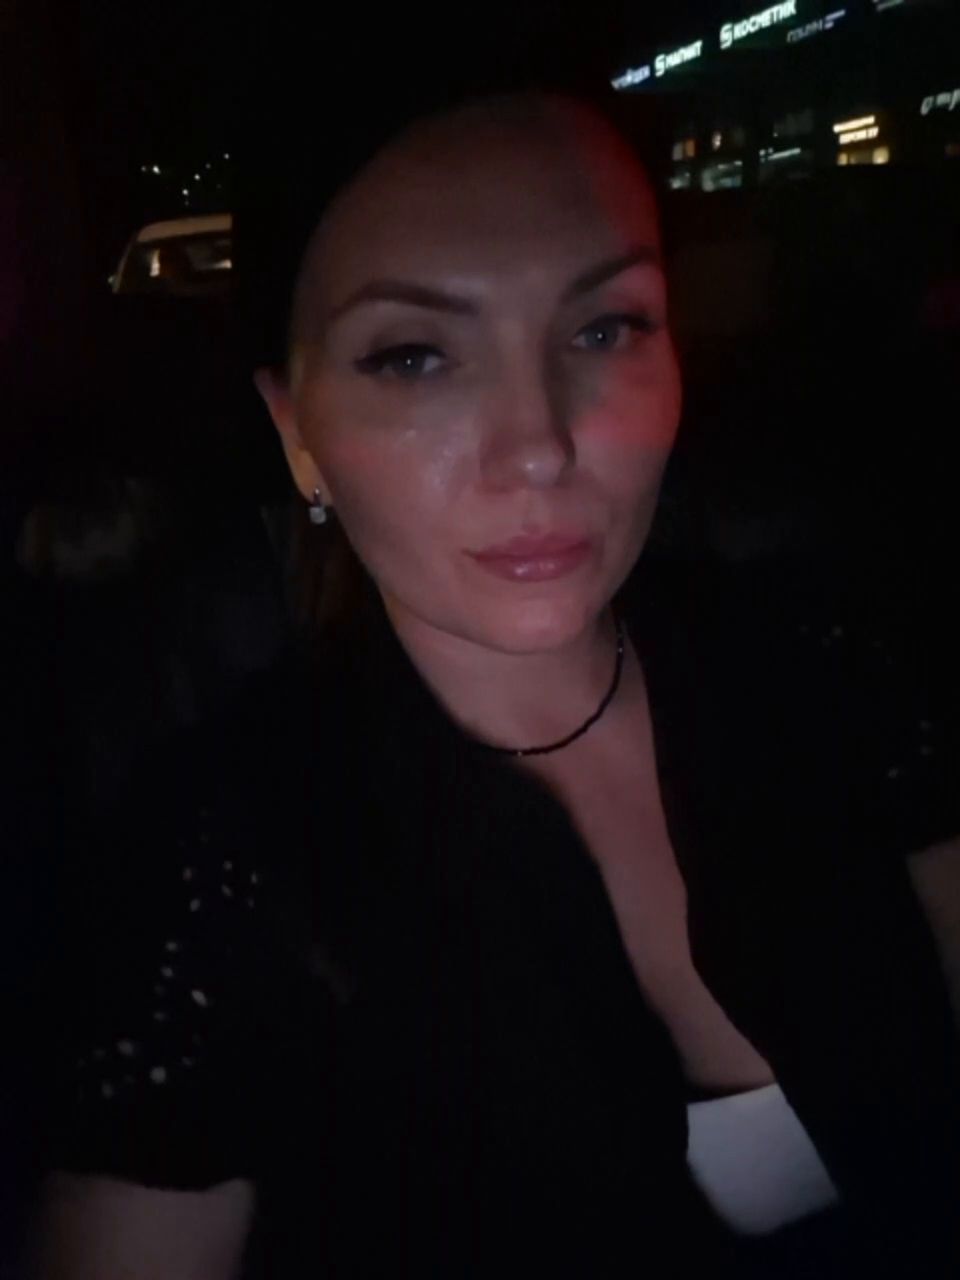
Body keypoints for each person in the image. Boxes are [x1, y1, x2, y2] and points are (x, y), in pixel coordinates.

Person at [31, 50, 960, 1280]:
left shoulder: (831, 663)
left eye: (603, 327)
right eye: (415, 354)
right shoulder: (212, 876)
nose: (538, 446)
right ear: (298, 436)